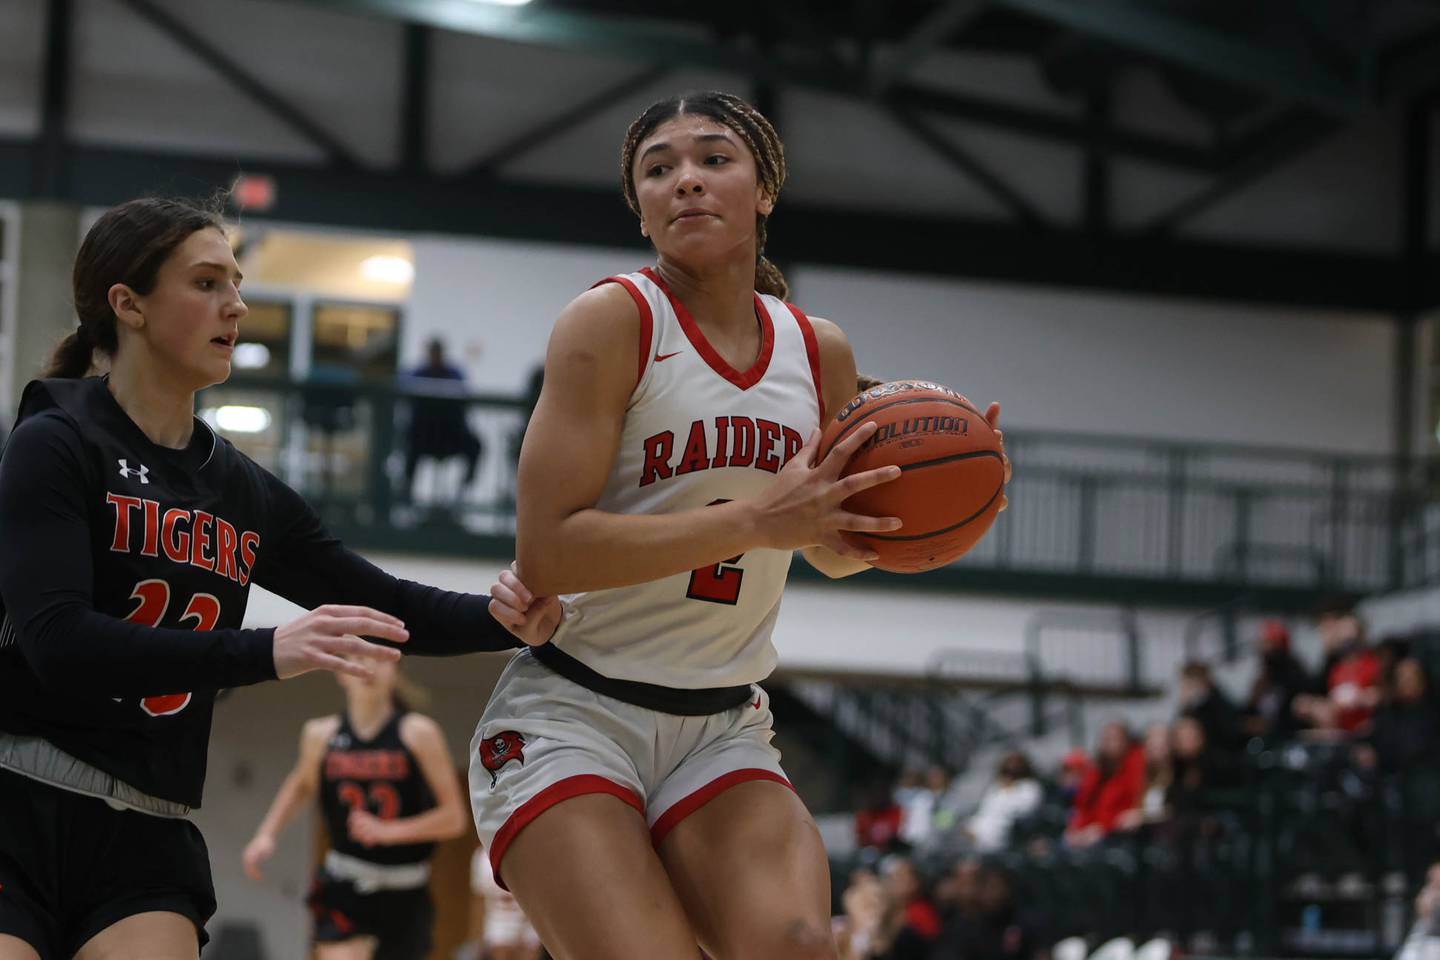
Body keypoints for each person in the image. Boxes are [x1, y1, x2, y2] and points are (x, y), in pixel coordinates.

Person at [468, 90, 1009, 960]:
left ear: (764, 190)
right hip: (573, 715)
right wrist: (759, 521)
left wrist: (932, 515)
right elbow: (551, 549)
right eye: (659, 169)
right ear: (640, 210)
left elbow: (830, 549)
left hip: (721, 726)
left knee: (799, 945)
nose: (686, 181)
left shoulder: (816, 349)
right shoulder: (612, 322)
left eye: (714, 159)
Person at [0, 198, 557, 960]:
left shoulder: (240, 488)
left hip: (147, 824)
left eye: (235, 282)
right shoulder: (53, 443)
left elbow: (386, 604)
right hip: (16, 799)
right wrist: (265, 651)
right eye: (205, 283)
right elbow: (58, 643)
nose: (235, 304)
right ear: (127, 305)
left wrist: (508, 618)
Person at [241, 660, 467, 960]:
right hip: (344, 881)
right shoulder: (320, 734)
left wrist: (390, 832)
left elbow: (454, 818)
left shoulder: (419, 733)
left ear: (396, 669)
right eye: (357, 660)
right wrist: (266, 835)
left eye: (378, 659)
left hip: (406, 889)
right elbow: (301, 784)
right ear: (339, 673)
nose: (369, 669)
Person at [401, 338, 482, 503]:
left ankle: (463, 489)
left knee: (475, 445)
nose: (435, 356)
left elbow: (464, 394)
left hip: (451, 434)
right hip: (423, 435)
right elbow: (403, 386)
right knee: (409, 446)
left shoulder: (454, 373)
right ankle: (405, 491)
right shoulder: (418, 373)